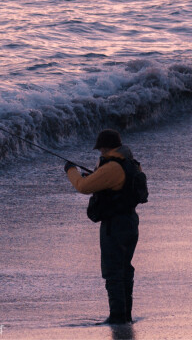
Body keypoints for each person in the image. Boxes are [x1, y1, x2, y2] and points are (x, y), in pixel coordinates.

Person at [65, 129, 140, 325]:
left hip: (115, 226)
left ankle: (117, 317)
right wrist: (97, 175)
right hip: (130, 222)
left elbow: (82, 186)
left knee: (113, 270)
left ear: (106, 147)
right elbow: (116, 185)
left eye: (101, 150)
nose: (100, 154)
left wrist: (70, 170)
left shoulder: (112, 167)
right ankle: (125, 315)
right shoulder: (130, 163)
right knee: (124, 269)